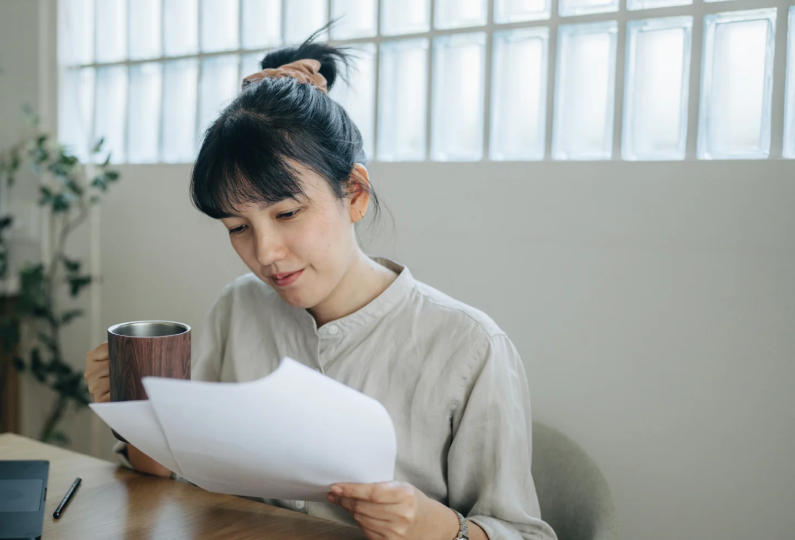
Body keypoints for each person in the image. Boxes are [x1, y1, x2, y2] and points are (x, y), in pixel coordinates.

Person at [84, 31, 557, 540]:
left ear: (353, 193)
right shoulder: (239, 308)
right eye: (237, 228)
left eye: (287, 213)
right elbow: (169, 471)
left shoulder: (469, 346)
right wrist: (134, 411)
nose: (264, 254)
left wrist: (438, 527)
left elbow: (525, 534)